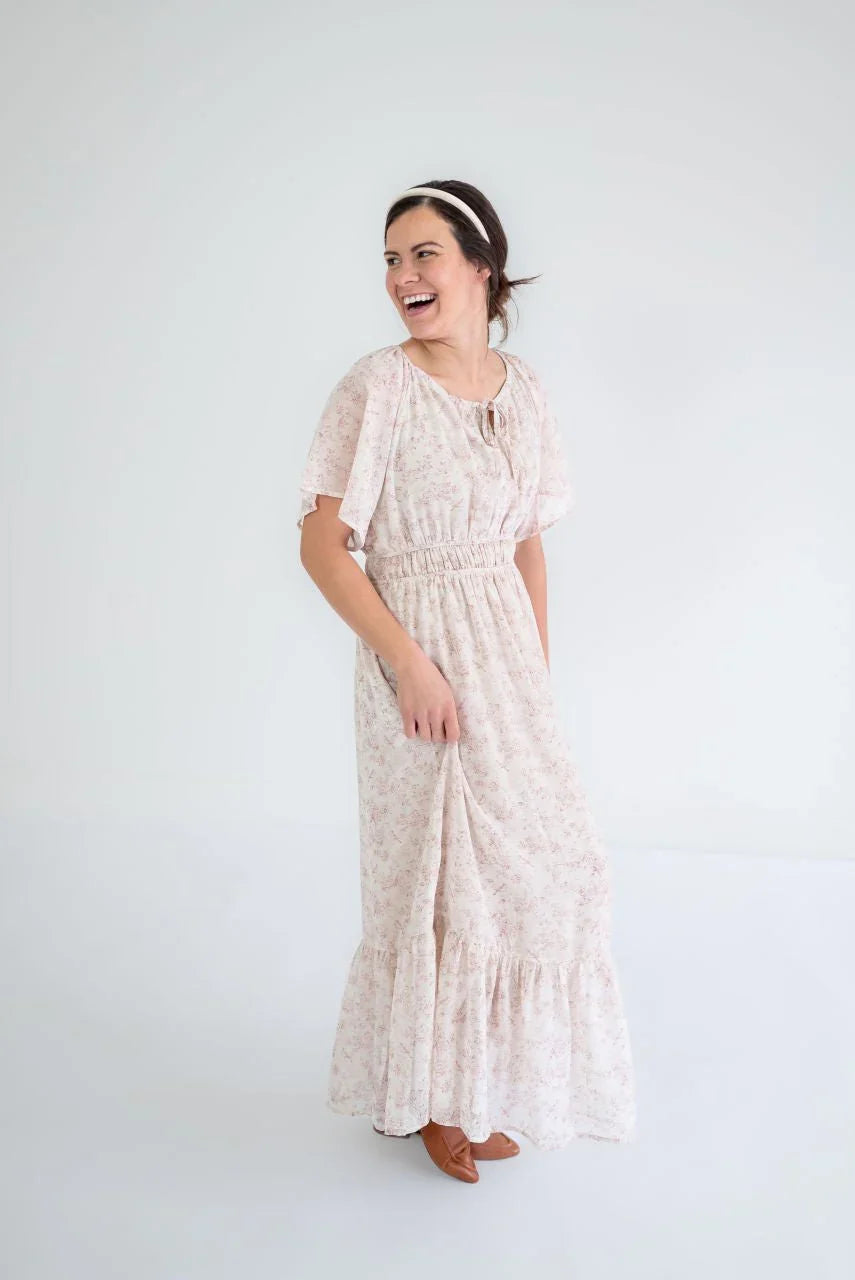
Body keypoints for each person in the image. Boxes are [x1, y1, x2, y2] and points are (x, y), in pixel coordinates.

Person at [297, 180, 636, 1183]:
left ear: (482, 267)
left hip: (506, 665)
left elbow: (528, 542)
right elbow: (322, 546)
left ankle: (471, 1085)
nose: (403, 276)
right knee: (443, 885)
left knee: (558, 870)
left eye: (424, 254)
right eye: (391, 259)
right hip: (416, 663)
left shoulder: (522, 389)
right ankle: (434, 1102)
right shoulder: (378, 388)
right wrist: (410, 663)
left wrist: (532, 676)